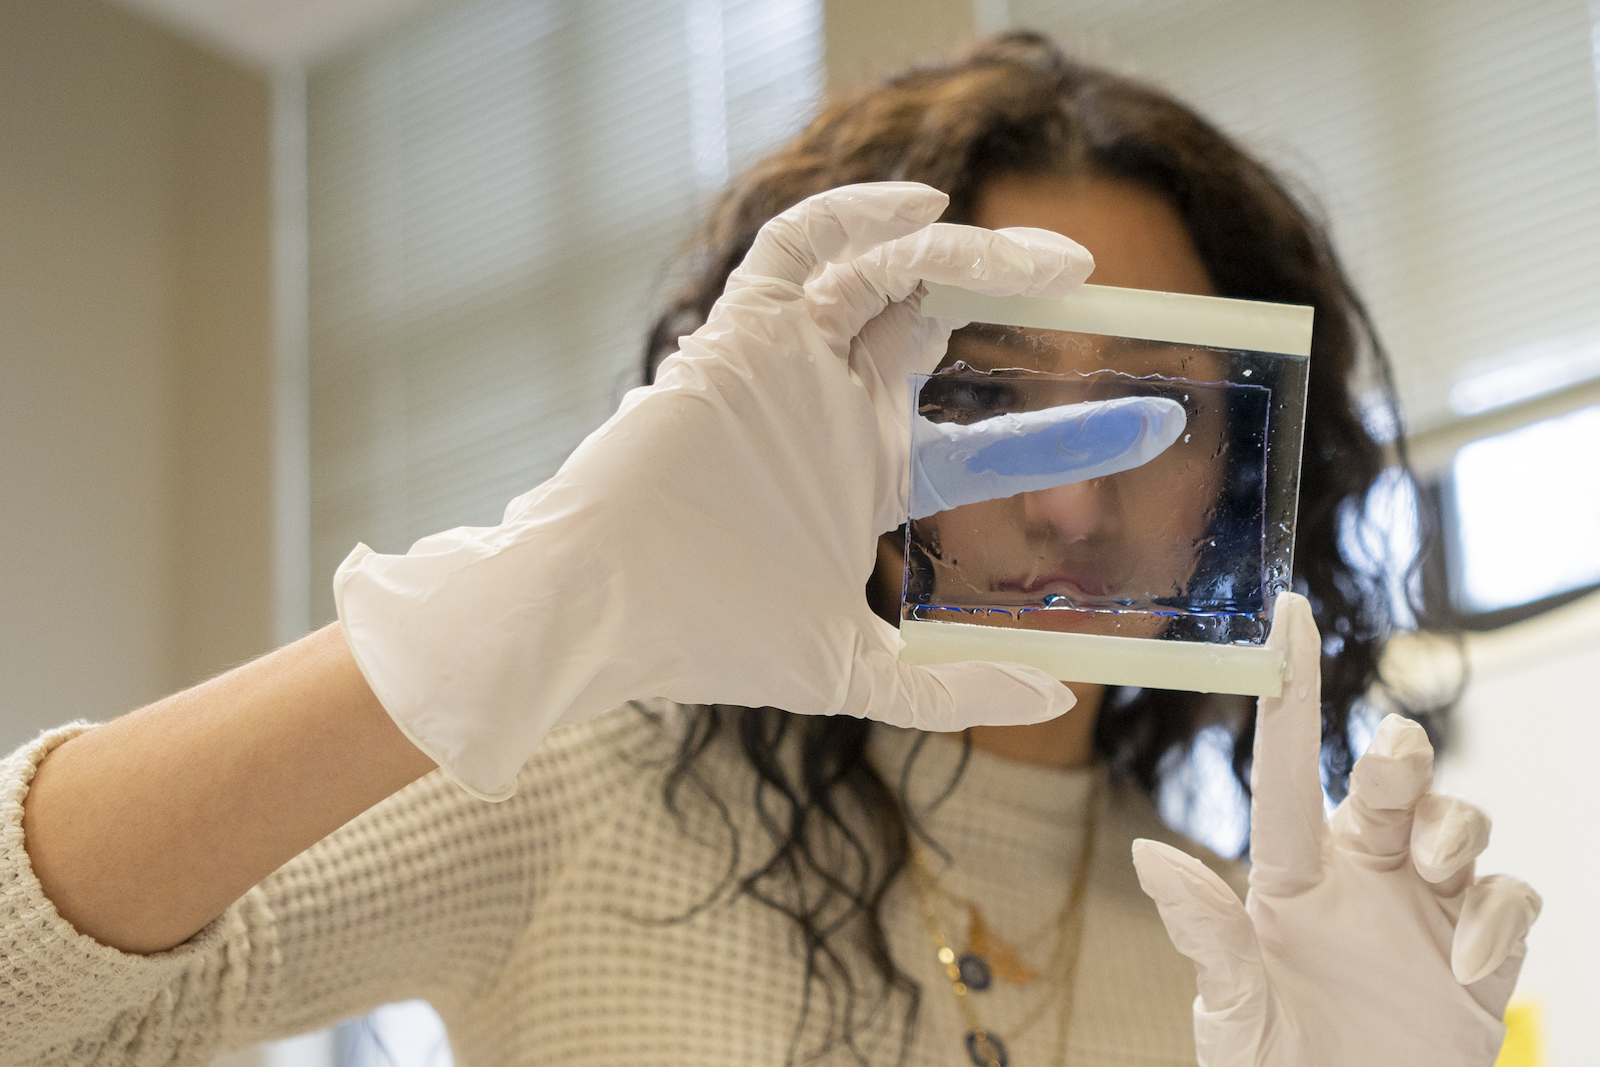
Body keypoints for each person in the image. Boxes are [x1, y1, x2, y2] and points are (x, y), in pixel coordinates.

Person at [3, 32, 1537, 1067]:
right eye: (984, 393)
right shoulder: (586, 791)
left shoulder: (1250, 958)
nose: (1070, 503)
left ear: (1256, 464)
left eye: (1151, 417)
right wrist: (521, 603)